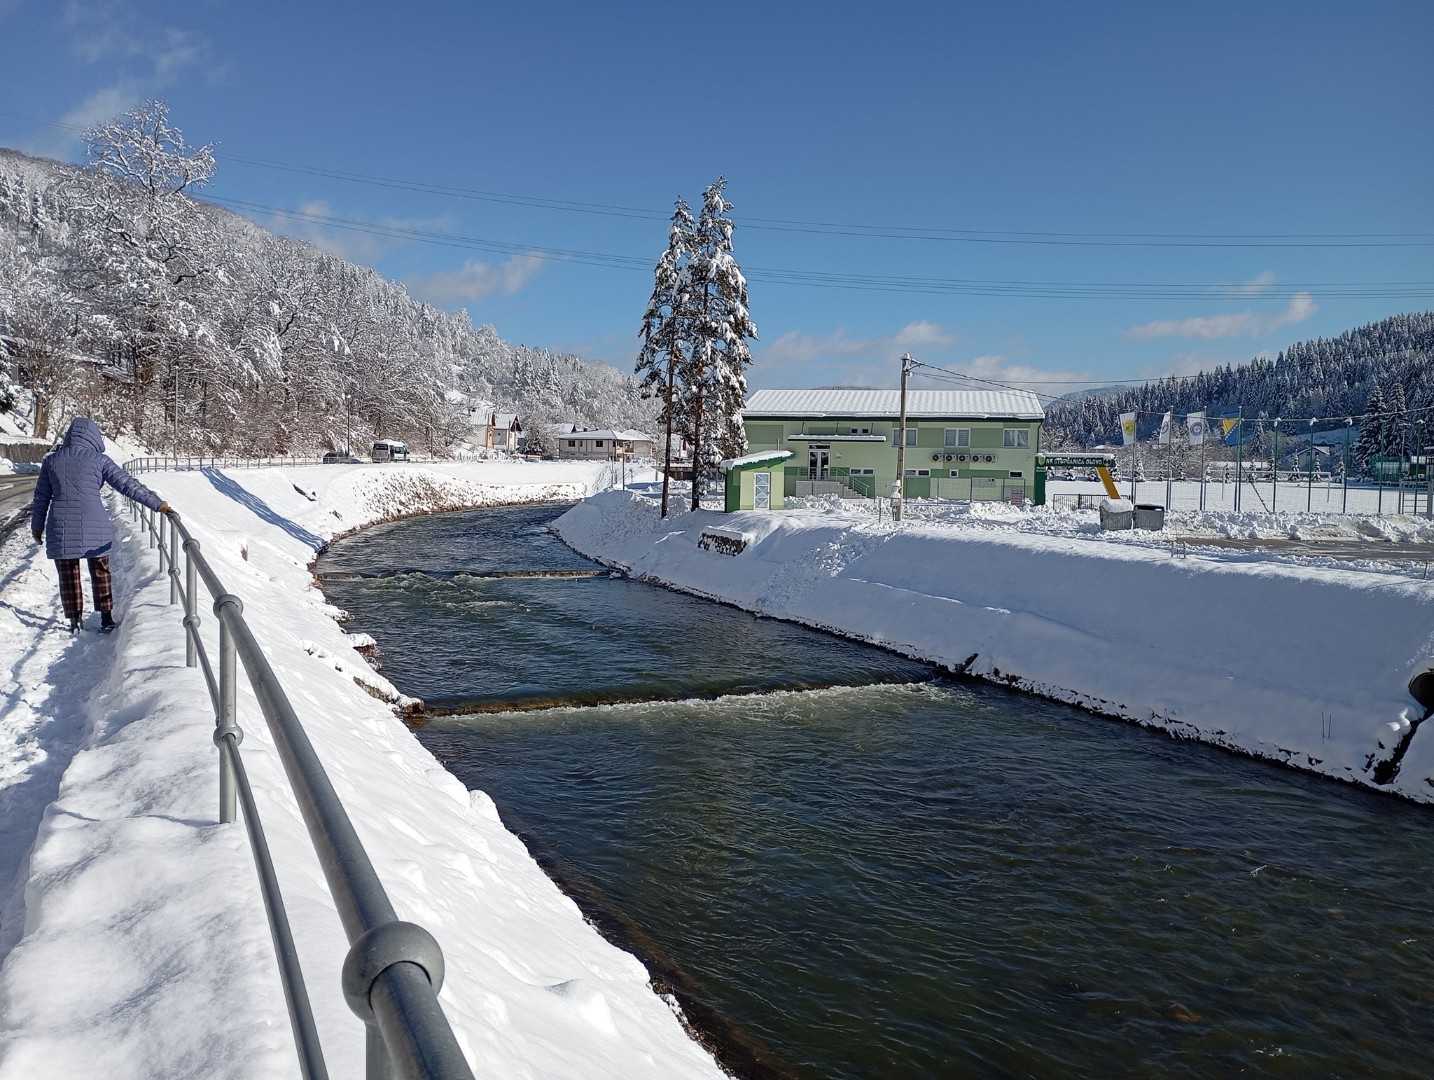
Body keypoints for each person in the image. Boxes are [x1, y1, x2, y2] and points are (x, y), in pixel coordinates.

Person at [30, 417, 171, 634]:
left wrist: (37, 527)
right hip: (94, 524)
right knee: (100, 571)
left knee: (68, 574)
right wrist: (157, 504)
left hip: (61, 526)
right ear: (94, 437)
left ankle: (75, 621)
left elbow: (41, 498)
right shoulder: (100, 460)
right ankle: (106, 619)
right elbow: (127, 485)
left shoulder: (52, 461)